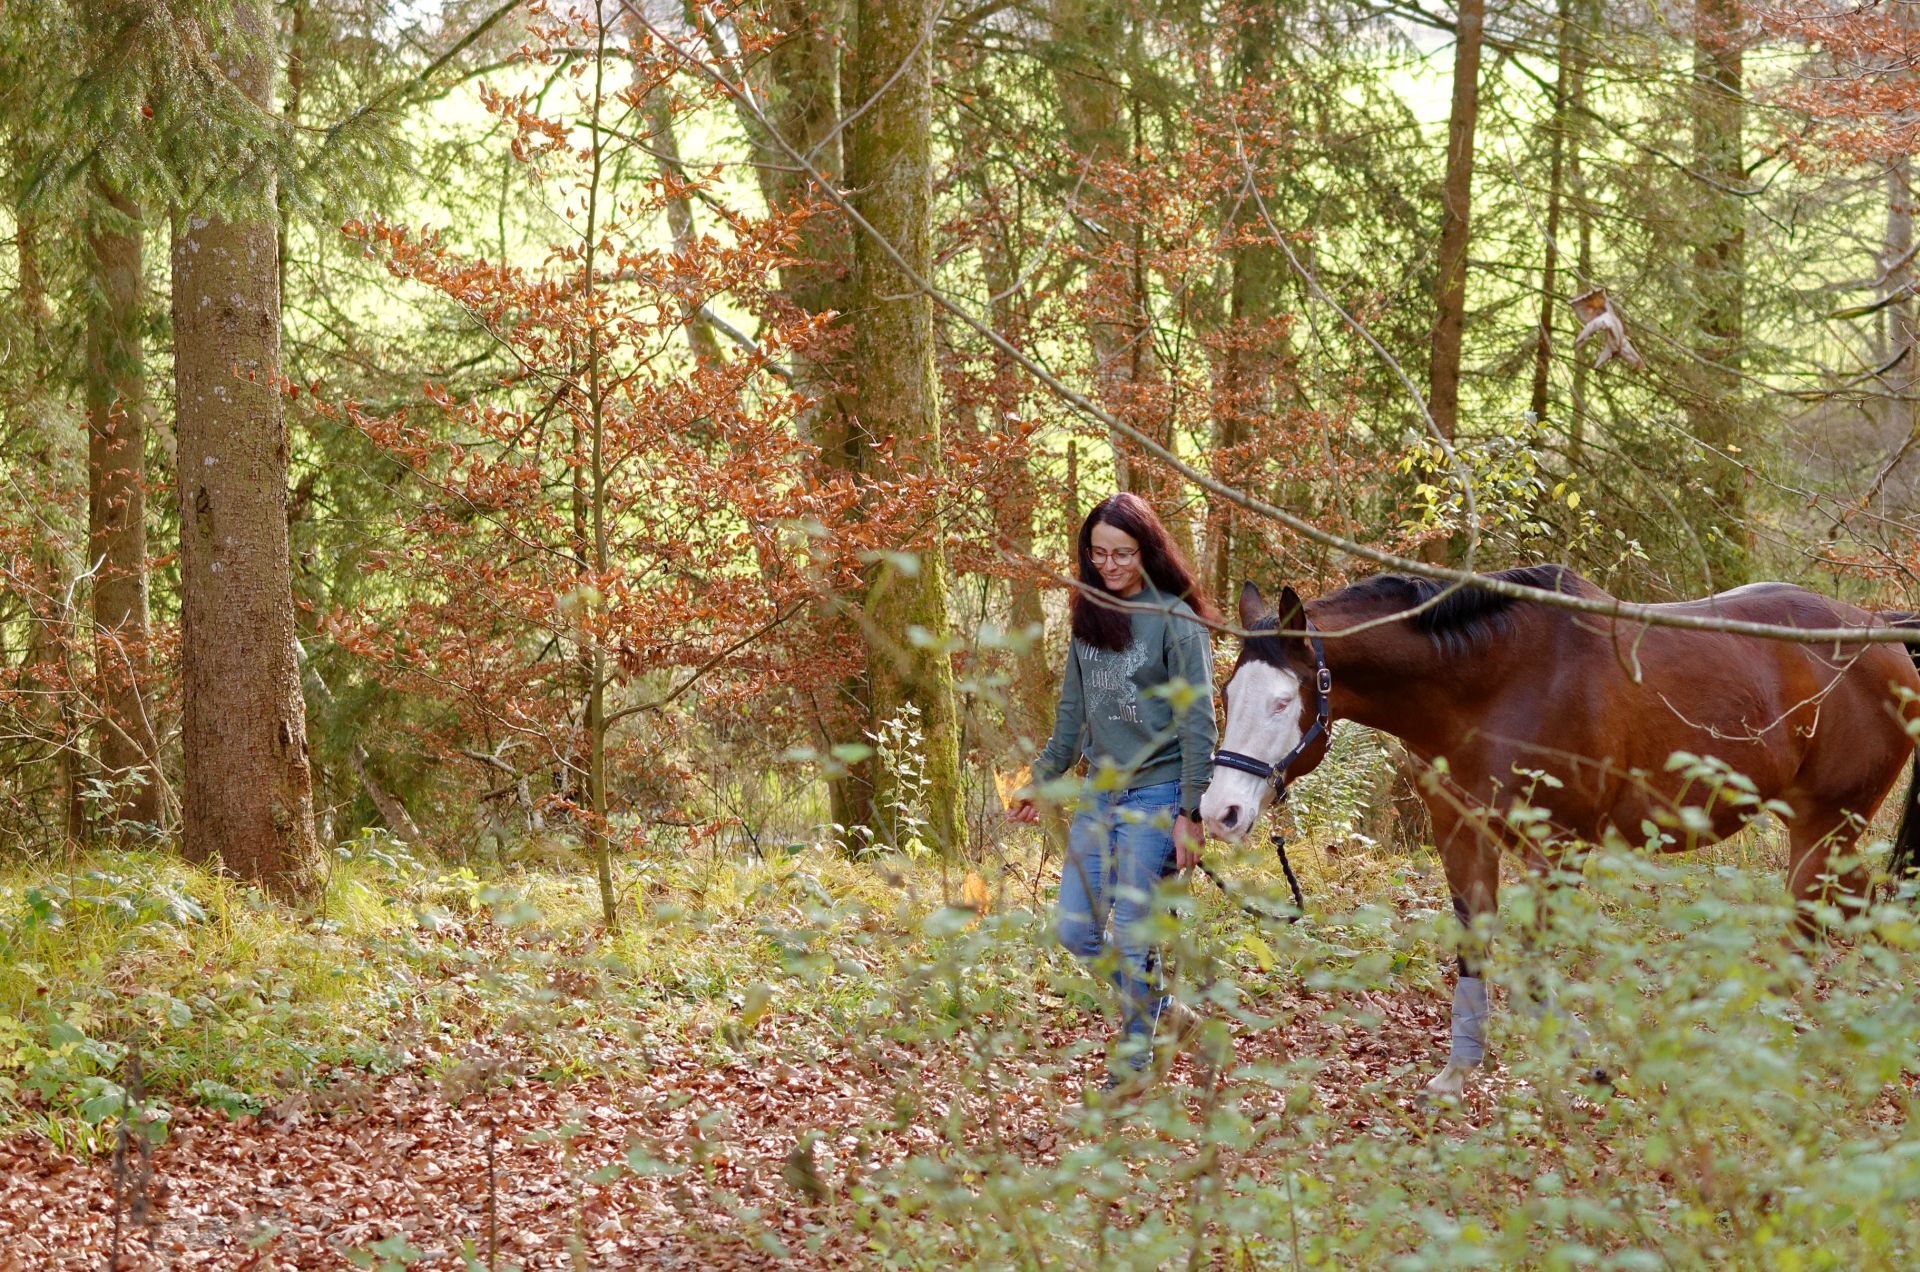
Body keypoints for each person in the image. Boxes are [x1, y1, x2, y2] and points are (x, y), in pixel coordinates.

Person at [1008, 492, 1222, 1089]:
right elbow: (1071, 717)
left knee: (1131, 937)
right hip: (1100, 796)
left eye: (1123, 553)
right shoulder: (1091, 613)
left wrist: (1190, 811)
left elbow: (1199, 723)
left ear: (1147, 550)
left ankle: (1132, 1067)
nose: (1110, 565)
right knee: (1074, 931)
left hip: (1158, 797)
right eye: (1098, 554)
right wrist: (1039, 782)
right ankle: (1164, 1011)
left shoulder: (1176, 620)